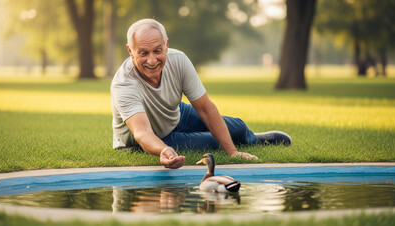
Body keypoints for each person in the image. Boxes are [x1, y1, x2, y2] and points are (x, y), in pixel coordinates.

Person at [111, 19, 291, 169]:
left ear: (166, 45)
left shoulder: (179, 60)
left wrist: (232, 152)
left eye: (157, 51)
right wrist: (163, 150)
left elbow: (205, 108)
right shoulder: (124, 83)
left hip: (176, 113)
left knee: (238, 125)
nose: (152, 60)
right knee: (214, 142)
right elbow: (142, 132)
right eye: (143, 53)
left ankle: (250, 139)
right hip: (149, 139)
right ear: (130, 51)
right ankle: (242, 139)